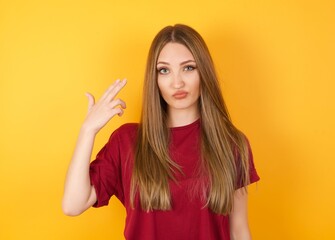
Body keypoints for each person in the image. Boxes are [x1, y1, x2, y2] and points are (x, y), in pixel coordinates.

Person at [62, 24, 260, 240]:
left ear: (204, 72)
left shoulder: (231, 143)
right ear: (154, 79)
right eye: (164, 70)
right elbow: (73, 205)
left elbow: (239, 230)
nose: (177, 82)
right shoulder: (127, 142)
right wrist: (88, 130)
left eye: (188, 68)